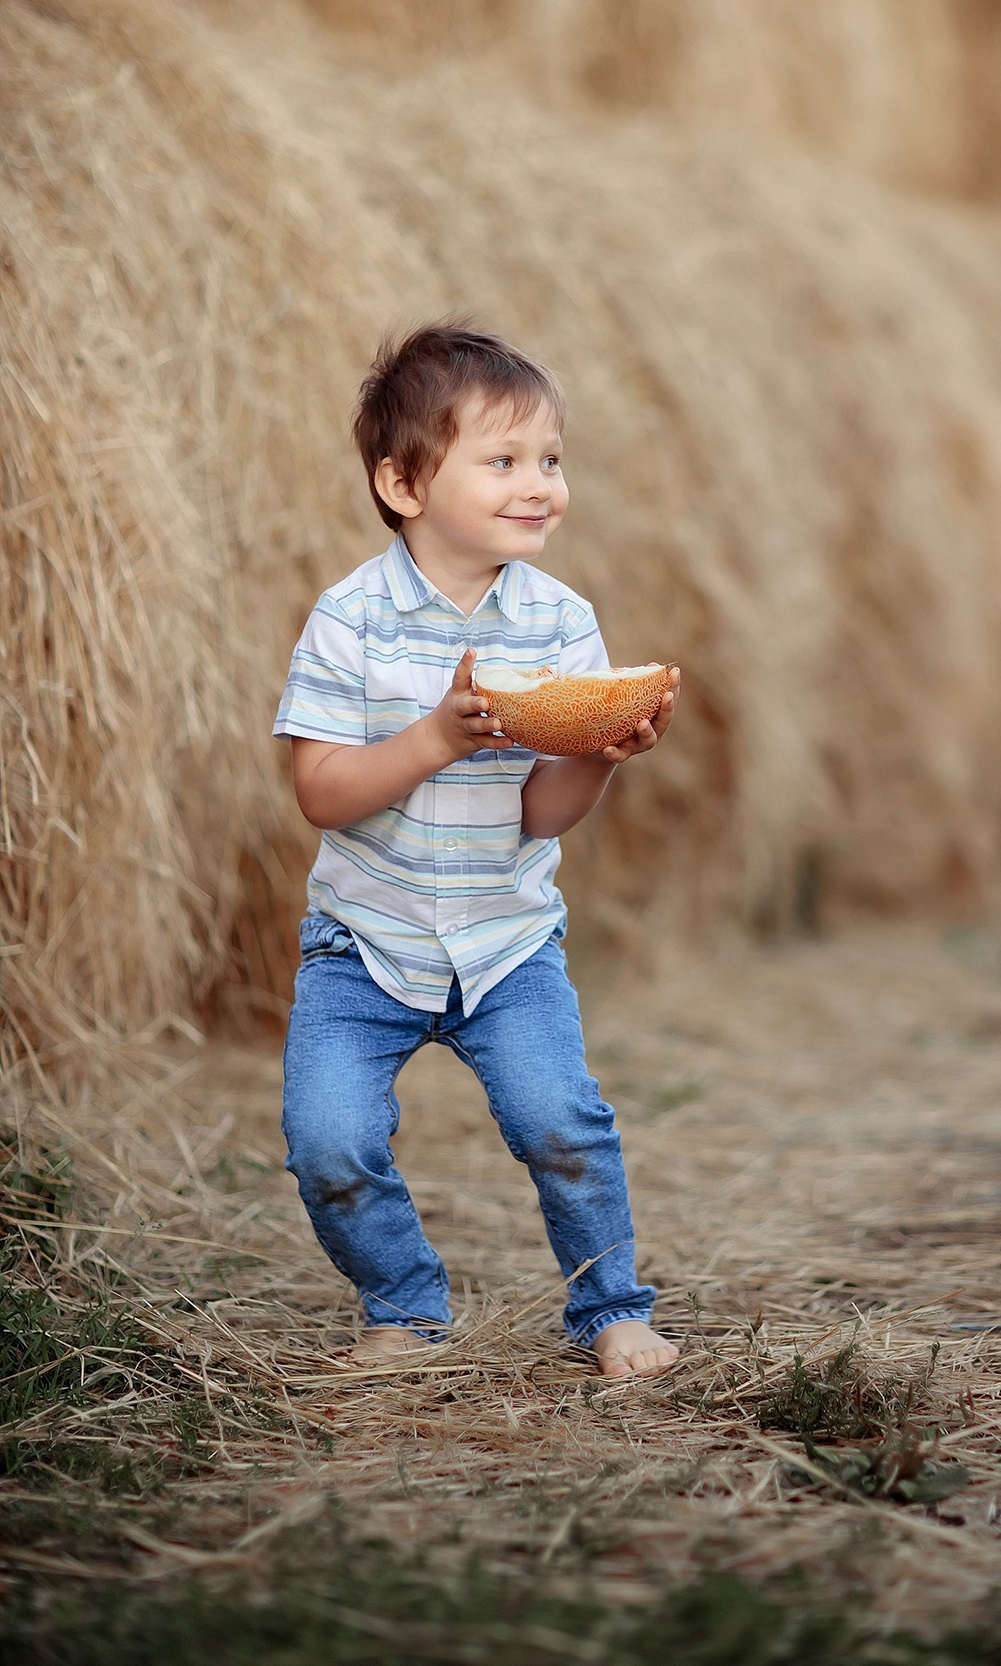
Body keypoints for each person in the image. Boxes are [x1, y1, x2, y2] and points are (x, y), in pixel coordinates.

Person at [273, 321, 681, 1378]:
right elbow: (320, 792)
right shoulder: (349, 621)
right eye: (502, 461)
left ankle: (611, 1308)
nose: (539, 484)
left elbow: (542, 815)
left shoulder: (559, 623)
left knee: (560, 1123)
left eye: (550, 459)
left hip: (506, 940)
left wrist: (599, 753)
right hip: (364, 944)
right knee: (328, 1141)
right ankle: (403, 1312)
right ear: (403, 484)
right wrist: (437, 739)